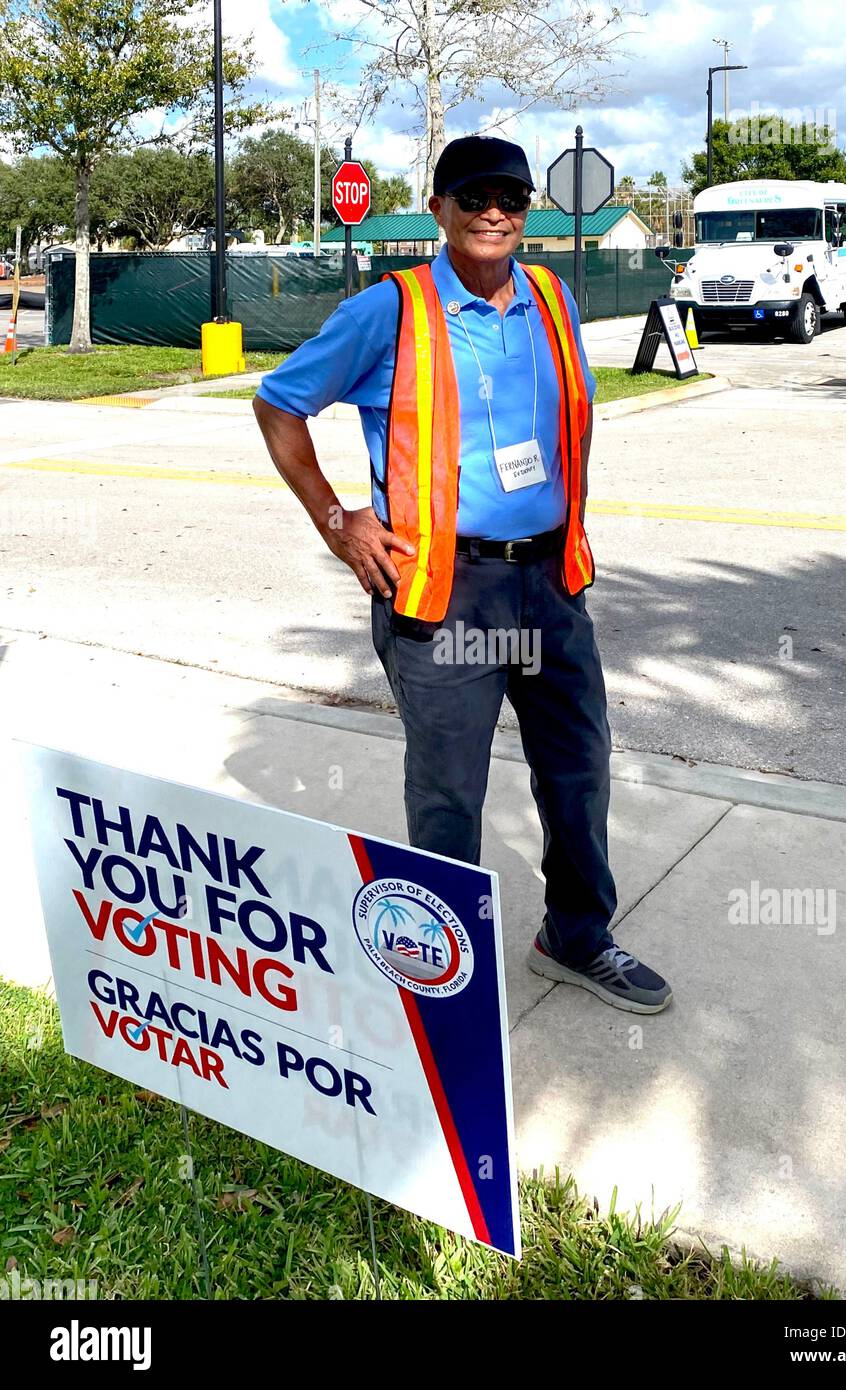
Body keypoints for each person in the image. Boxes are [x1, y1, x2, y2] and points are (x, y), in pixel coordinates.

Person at [253, 134, 672, 1014]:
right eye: (475, 195)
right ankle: (437, 979)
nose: (495, 212)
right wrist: (340, 519)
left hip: (551, 583)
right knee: (449, 789)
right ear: (438, 208)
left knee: (578, 767)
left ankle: (576, 933)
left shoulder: (551, 298)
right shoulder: (389, 311)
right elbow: (279, 404)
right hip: (445, 592)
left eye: (511, 199)